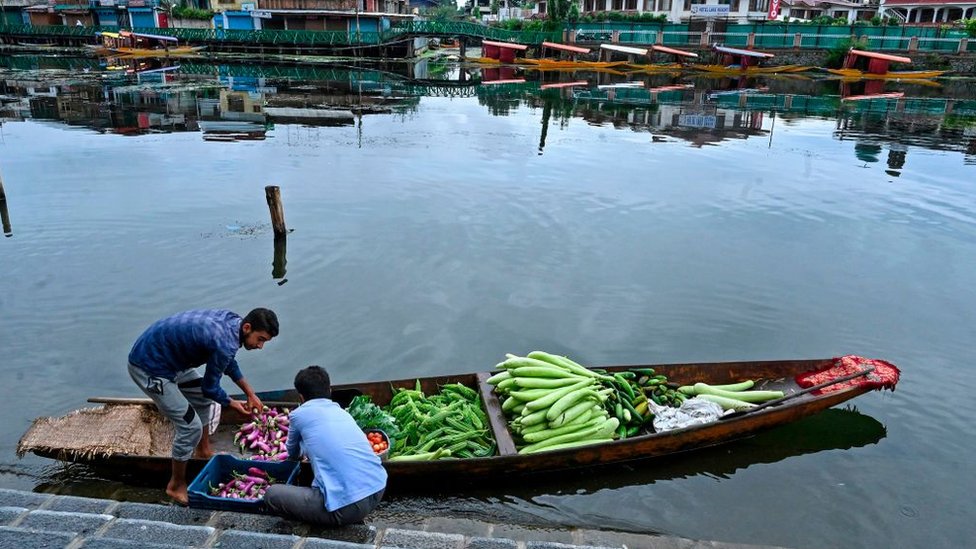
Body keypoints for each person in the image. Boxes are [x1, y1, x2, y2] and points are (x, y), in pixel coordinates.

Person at [127, 308, 278, 505]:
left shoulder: (233, 323)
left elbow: (227, 361)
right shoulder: (224, 341)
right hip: (149, 367)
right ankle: (175, 485)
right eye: (260, 339)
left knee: (201, 400)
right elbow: (210, 388)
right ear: (247, 327)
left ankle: (203, 451)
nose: (260, 346)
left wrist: (250, 394)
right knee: (190, 426)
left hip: (170, 359)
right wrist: (231, 403)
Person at [264, 366, 387, 526]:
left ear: (301, 397)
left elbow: (293, 453)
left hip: (348, 508)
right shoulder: (342, 412)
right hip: (378, 488)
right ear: (329, 390)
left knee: (272, 494)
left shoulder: (298, 415)